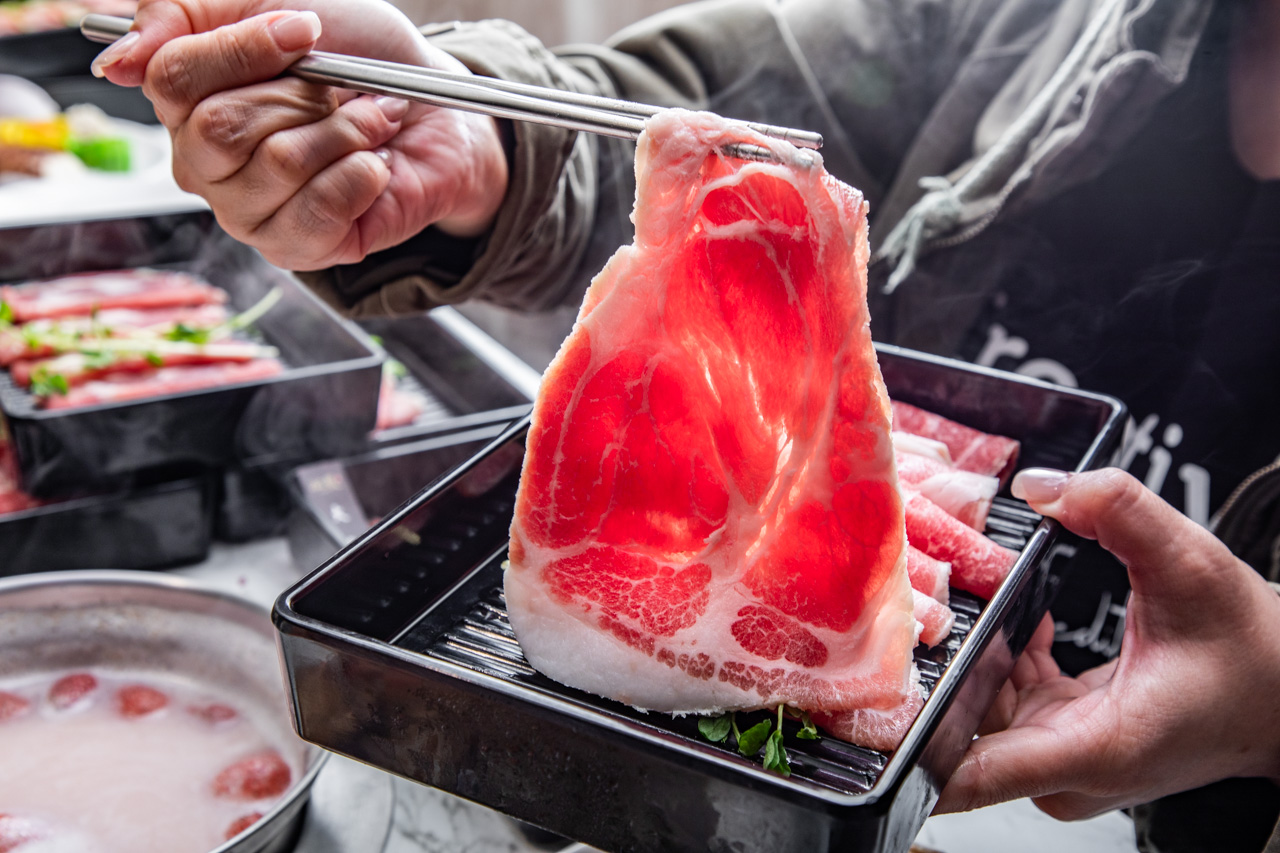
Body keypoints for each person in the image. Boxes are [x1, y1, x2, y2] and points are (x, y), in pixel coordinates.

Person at [90, 0, 1280, 848]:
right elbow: (698, 104)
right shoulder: (1038, 22)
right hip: (851, 769)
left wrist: (1264, 707)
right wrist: (476, 148)